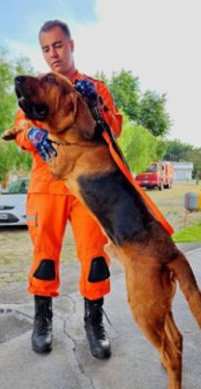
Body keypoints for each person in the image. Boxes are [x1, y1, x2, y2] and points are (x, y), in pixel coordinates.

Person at [11, 20, 123, 358]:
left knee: (94, 256)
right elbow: (19, 126)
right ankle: (42, 321)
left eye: (57, 45)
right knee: (44, 257)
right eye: (46, 48)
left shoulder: (94, 87)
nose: (52, 54)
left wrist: (94, 106)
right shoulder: (36, 89)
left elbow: (114, 127)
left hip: (88, 187)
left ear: (71, 44)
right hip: (47, 185)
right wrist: (30, 135)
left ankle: (94, 324)